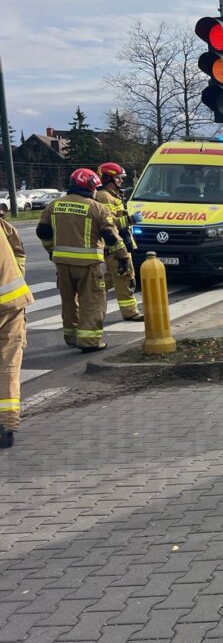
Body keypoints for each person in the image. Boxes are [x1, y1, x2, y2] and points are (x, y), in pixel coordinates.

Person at [36, 168, 130, 352]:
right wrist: (123, 257)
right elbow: (111, 237)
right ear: (90, 187)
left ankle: (71, 337)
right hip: (89, 265)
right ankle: (89, 341)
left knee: (69, 302)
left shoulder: (53, 206)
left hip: (62, 264)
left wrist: (51, 251)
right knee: (92, 302)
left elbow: (43, 233)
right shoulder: (96, 208)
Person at [95, 162, 143, 322]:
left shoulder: (113, 195)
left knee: (108, 279)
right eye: (118, 178)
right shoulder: (104, 197)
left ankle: (87, 300)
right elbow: (108, 222)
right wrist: (130, 220)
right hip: (116, 247)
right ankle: (130, 312)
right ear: (108, 178)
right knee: (125, 279)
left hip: (119, 244)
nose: (121, 181)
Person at [0, 214, 33, 449]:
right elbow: (18, 248)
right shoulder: (4, 224)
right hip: (11, 303)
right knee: (8, 363)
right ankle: (7, 423)